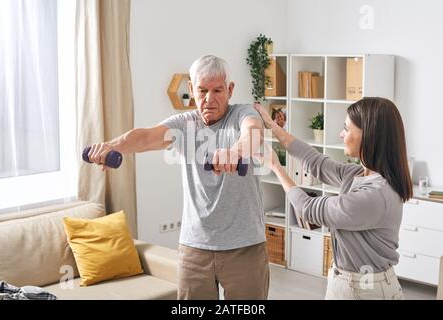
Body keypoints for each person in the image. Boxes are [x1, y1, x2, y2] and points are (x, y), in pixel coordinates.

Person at [87, 55, 269, 300]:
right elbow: (144, 137)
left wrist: (235, 151)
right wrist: (111, 146)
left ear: (230, 89)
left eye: (218, 90)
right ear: (191, 89)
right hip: (195, 247)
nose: (209, 99)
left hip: (244, 246)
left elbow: (253, 133)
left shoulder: (242, 114)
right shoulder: (184, 124)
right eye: (202, 90)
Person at [254, 97, 412, 300]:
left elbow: (307, 208)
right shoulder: (358, 175)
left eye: (346, 129)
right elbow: (316, 162)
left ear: (369, 136)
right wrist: (272, 125)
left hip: (365, 290)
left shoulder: (374, 195)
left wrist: (276, 166)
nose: (341, 133)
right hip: (350, 282)